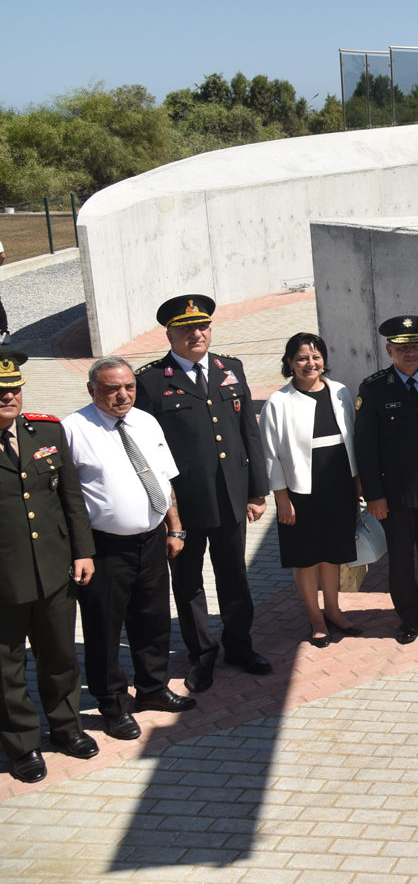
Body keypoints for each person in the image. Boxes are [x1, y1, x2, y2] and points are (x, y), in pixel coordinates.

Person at [133, 296, 270, 693]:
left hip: (231, 495)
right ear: (170, 335)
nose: (197, 334)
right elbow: (145, 450)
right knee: (188, 582)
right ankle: (201, 656)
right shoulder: (151, 381)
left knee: (235, 577)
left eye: (203, 326)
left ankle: (240, 647)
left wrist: (257, 491)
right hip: (185, 503)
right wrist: (163, 510)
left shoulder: (231, 369)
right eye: (186, 329)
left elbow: (248, 432)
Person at [63, 357, 196, 742]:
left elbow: (164, 478)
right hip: (103, 549)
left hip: (152, 541)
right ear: (92, 390)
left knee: (153, 619)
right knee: (104, 629)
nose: (123, 395)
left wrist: (175, 527)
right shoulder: (74, 429)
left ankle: (152, 688)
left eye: (129, 387)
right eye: (112, 389)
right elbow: (67, 497)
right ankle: (113, 704)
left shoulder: (146, 421)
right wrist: (80, 551)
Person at [0, 350, 97, 783]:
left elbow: (70, 498)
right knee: (7, 669)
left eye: (14, 389)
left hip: (54, 569)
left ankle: (66, 728)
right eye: (0, 391)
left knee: (60, 656)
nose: (9, 397)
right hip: (4, 579)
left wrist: (83, 551)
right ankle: (22, 745)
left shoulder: (46, 430)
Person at [355, 315, 418, 645]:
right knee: (400, 558)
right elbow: (365, 447)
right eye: (402, 348)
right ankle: (408, 616)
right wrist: (374, 495)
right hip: (394, 492)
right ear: (390, 350)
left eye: (415, 346)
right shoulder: (373, 389)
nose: (410, 353)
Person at [260, 333, 361, 648]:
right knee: (305, 557)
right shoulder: (279, 402)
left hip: (339, 484)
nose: (310, 364)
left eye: (316, 357)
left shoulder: (340, 391)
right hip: (301, 490)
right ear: (289, 362)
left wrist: (358, 481)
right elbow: (270, 455)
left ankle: (334, 611)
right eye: (302, 358)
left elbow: (353, 439)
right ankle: (316, 618)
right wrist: (282, 499)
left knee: (332, 553)